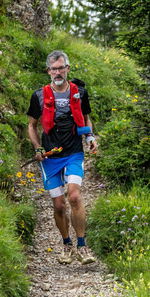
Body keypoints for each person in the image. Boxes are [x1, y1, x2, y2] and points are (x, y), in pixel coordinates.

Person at [27, 50, 98, 264]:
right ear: (48, 71)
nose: (57, 72)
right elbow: (31, 125)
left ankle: (83, 247)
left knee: (74, 197)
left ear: (67, 68)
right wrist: (38, 147)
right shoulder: (39, 95)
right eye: (53, 69)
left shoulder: (79, 92)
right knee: (59, 205)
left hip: (74, 152)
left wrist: (90, 136)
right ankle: (67, 244)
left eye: (61, 68)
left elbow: (86, 118)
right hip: (50, 156)